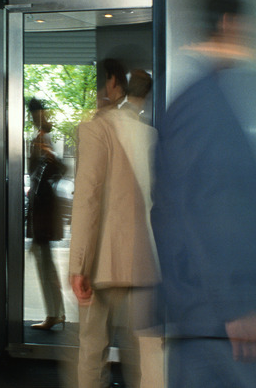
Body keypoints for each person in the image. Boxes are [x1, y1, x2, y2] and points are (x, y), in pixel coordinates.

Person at [151, 0, 256, 387]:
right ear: (228, 23)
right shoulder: (205, 109)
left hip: (214, 319)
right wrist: (239, 308)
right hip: (228, 323)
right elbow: (211, 212)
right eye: (253, 26)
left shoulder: (203, 101)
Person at [69, 61, 159, 388]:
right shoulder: (148, 135)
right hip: (146, 257)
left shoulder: (94, 130)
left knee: (93, 347)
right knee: (150, 348)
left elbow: (87, 199)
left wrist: (79, 264)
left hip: (101, 262)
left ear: (112, 85)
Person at [26, 98, 66, 330]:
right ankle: (54, 313)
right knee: (45, 261)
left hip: (43, 208)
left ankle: (54, 313)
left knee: (45, 262)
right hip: (41, 206)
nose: (35, 118)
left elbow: (57, 168)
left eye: (37, 114)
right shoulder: (42, 139)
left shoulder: (43, 139)